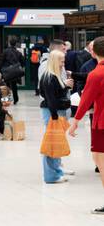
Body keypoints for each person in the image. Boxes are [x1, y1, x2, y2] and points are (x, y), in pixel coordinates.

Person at [69, 35, 104, 212]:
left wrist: (75, 122)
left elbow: (85, 100)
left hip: (102, 123)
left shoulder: (96, 73)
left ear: (94, 52)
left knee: (99, 158)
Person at [39, 49, 72, 186]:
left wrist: (64, 86)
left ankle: (56, 171)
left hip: (56, 112)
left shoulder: (54, 76)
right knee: (51, 144)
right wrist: (54, 117)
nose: (63, 64)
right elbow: (51, 98)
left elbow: (55, 94)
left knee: (56, 143)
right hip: (53, 113)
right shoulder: (49, 77)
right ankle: (51, 175)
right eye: (61, 61)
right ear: (54, 61)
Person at [0, 39, 25, 103]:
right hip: (15, 71)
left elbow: (2, 61)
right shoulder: (18, 52)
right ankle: (15, 99)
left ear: (9, 43)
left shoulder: (5, 51)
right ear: (15, 44)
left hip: (7, 71)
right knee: (14, 85)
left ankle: (7, 98)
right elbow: (23, 62)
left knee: (7, 85)